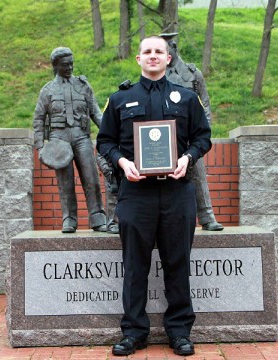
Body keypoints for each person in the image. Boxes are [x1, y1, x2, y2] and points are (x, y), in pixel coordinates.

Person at [96, 35, 212, 357]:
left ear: (168, 58)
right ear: (138, 59)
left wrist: (187, 158)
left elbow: (203, 137)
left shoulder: (187, 98)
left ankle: (179, 332)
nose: (153, 56)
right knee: (135, 265)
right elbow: (104, 141)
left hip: (177, 191)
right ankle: (134, 332)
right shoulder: (120, 100)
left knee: (178, 262)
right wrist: (123, 162)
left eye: (158, 51)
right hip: (136, 193)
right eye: (147, 51)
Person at [33, 46, 106, 233]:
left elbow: (96, 113)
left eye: (72, 63)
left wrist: (110, 132)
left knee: (91, 178)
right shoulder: (47, 91)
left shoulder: (83, 86)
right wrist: (40, 147)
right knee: (65, 182)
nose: (70, 67)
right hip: (59, 139)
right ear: (56, 66)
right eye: (66, 64)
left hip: (82, 136)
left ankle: (98, 217)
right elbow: (39, 119)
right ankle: (69, 219)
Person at [160, 32, 224, 232]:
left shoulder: (192, 74)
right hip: (164, 138)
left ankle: (207, 217)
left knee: (198, 175)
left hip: (189, 136)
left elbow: (204, 103)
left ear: (174, 48)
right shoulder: (158, 74)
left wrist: (203, 132)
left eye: (165, 49)